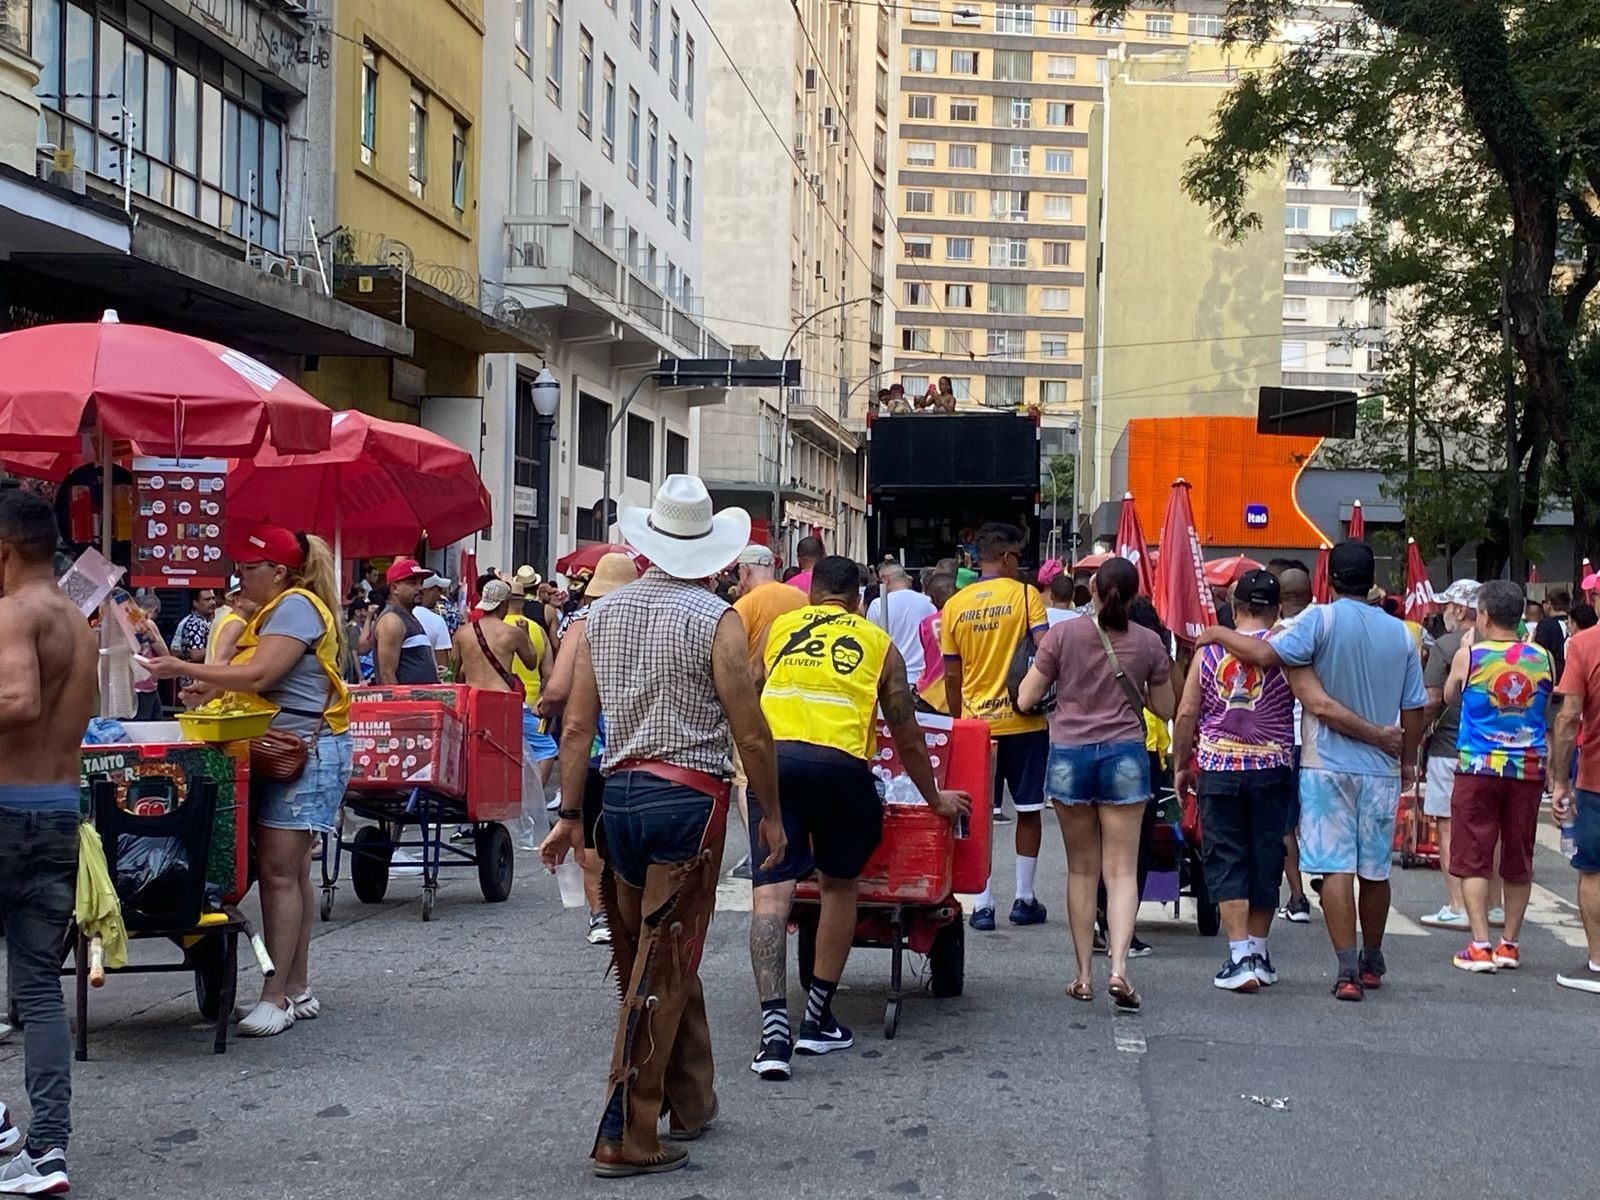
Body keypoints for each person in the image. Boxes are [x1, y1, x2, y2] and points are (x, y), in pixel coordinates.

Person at [538, 476, 784, 1178]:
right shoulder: (715, 617)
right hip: (687, 799)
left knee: (650, 959)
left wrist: (570, 815)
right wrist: (769, 816)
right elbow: (752, 732)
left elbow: (578, 724)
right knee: (662, 967)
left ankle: (693, 1100)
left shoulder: (603, 615)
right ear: (710, 552)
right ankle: (626, 1129)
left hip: (619, 798)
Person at [747, 556, 969, 1078]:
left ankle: (773, 1031)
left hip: (773, 763)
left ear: (812, 594)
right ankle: (819, 1019)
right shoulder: (876, 643)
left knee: (771, 893)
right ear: (859, 599)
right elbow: (907, 731)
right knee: (838, 886)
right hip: (840, 766)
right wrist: (935, 798)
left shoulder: (781, 627)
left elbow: (750, 689)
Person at [144, 526, 352, 1037]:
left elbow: (261, 674)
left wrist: (179, 666)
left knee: (281, 874)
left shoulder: (296, 605)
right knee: (293, 874)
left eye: (249, 567)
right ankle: (296, 987)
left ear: (278, 571)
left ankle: (275, 995)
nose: (239, 576)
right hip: (291, 746)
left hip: (300, 750)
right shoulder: (273, 611)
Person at [1201, 542, 1425, 1002]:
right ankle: (1373, 957)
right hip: (1381, 770)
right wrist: (1406, 759)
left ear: (1331, 580)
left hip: (1326, 766)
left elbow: (1265, 657)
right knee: (1375, 869)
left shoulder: (1317, 621)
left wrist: (1217, 635)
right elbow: (1414, 708)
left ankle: (1346, 970)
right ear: (1372, 580)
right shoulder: (1403, 634)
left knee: (1336, 868)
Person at [1017, 558, 1172, 1008]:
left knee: (1082, 869)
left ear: (1094, 591)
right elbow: (1165, 707)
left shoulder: (1062, 636)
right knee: (1121, 870)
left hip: (1070, 755)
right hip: (1125, 754)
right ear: (1136, 594)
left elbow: (1027, 696)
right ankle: (1119, 968)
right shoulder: (1147, 641)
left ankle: (1083, 974)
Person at [0, 490, 98, 1197]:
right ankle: (48, 1148)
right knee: (37, 988)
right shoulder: (78, 620)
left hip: (4, 807)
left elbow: (18, 703)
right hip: (58, 807)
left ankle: (3, 1131)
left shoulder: (15, 612)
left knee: (33, 986)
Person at [1173, 571, 1302, 992]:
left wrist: (1180, 764)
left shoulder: (1210, 652)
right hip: (1272, 768)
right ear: (1276, 605)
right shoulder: (1286, 648)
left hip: (1219, 767)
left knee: (1225, 855)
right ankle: (1260, 951)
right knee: (1267, 854)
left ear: (1234, 604)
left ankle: (1238, 956)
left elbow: (1188, 711)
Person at [941, 523, 1050, 930]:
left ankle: (982, 904)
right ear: (1005, 558)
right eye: (1017, 556)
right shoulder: (1026, 597)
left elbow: (952, 675)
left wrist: (957, 720)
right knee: (1029, 809)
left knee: (978, 814)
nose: (1020, 564)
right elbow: (1046, 651)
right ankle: (1024, 898)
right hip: (1025, 720)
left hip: (976, 727)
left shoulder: (955, 605)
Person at [1442, 581, 1554, 972]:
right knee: (1518, 855)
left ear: (1484, 615)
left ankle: (1479, 944)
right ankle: (1510, 943)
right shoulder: (1543, 658)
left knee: (1474, 855)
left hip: (1478, 766)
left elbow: (1448, 696)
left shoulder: (1469, 656)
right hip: (1528, 767)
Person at [535, 556, 637, 945]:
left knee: (589, 832)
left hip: (597, 747)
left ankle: (600, 916)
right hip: (644, 748)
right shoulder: (650, 619)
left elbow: (560, 690)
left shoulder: (583, 623)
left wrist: (547, 705)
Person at [1419, 580, 1482, 930]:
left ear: (1459, 609)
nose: (1443, 612)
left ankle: (1458, 904)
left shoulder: (1445, 646)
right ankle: (1493, 905)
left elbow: (1431, 700)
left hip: (1448, 746)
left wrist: (1416, 737)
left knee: (1448, 824)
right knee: (1491, 827)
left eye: (1447, 606)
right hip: (1496, 750)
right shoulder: (1511, 647)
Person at [1549, 605, 1600, 993]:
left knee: (1593, 870)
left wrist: (1559, 780)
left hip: (1596, 777)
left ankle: (1598, 960)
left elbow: (1568, 719)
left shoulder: (1584, 644)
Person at [1270, 564, 1314, 922]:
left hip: (1286, 739)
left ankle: (1297, 897)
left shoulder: (1278, 636)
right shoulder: (1325, 627)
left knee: (1285, 823)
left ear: (1281, 602)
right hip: (1321, 740)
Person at [865, 563, 937, 683]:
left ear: (885, 579)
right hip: (925, 680)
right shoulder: (928, 603)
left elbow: (872, 646)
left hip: (894, 680)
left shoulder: (878, 605)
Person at [374, 558, 439, 685]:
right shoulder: (392, 620)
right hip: (408, 702)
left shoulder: (408, 617)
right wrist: (399, 703)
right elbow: (387, 674)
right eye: (412, 583)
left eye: (421, 583)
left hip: (422, 700)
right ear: (394, 588)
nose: (420, 588)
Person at [914, 572, 958, 712]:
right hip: (961, 692)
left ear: (932, 598)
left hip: (930, 695)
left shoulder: (925, 624)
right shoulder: (964, 619)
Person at [171, 588, 218, 689]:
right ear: (195, 603)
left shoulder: (205, 621)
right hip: (196, 681)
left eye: (213, 598)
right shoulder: (195, 623)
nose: (212, 602)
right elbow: (195, 654)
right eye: (207, 599)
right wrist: (219, 646)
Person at [413, 574, 453, 675]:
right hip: (428, 683)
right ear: (427, 590)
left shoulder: (396, 617)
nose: (440, 595)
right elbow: (442, 666)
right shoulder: (437, 621)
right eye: (438, 590)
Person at [1535, 587, 1571, 682]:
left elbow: (1540, 654)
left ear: (1549, 604)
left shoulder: (1545, 625)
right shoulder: (1576, 622)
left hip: (1554, 679)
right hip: (1574, 677)